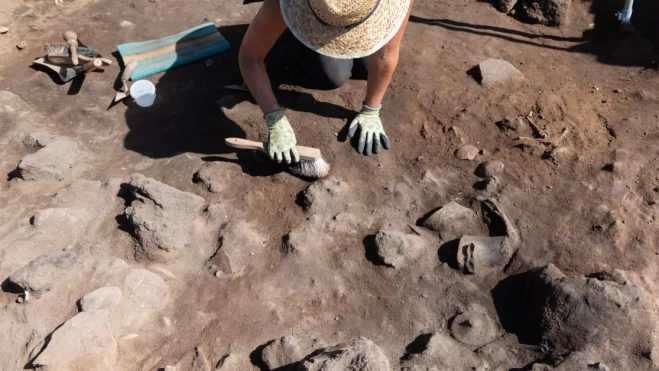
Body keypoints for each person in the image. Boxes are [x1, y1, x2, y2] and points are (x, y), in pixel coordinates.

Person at [239, 0, 414, 163]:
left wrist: (371, 109)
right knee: (332, 77)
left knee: (370, 68)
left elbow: (386, 55)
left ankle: (356, 33)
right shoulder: (285, 4)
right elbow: (250, 58)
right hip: (314, 18)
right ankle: (294, 34)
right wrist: (274, 118)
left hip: (361, 15)